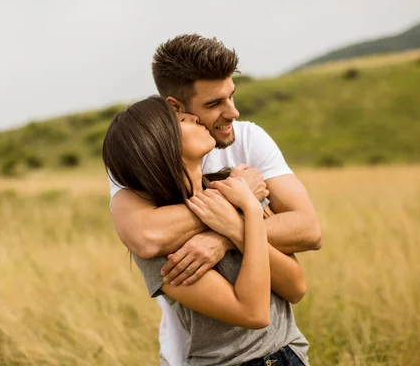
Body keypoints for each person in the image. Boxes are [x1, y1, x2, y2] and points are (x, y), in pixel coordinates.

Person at [109, 34, 321, 365]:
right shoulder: (146, 179)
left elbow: (302, 262)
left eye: (231, 97)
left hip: (287, 353)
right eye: (212, 105)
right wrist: (241, 208)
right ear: (172, 113)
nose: (233, 113)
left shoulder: (235, 177)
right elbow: (146, 239)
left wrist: (228, 231)